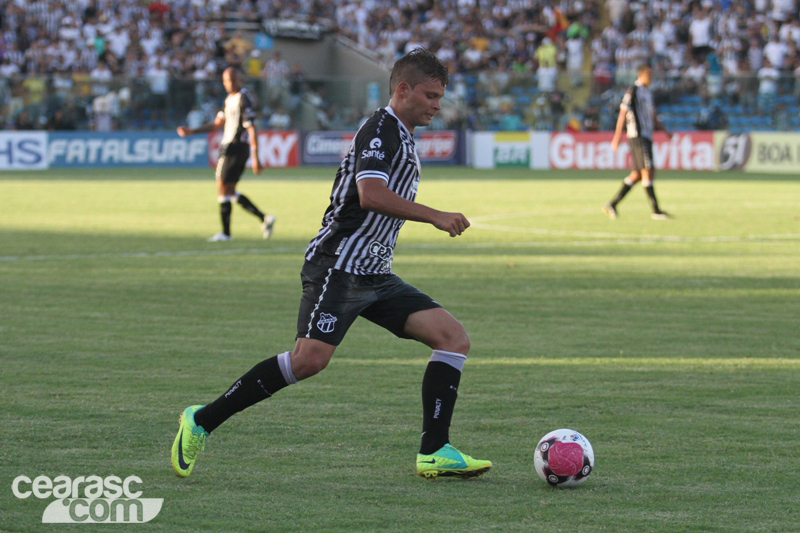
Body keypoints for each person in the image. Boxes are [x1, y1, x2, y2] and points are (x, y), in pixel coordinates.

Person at [171, 48, 492, 481]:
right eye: (431, 95)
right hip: (338, 265)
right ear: (403, 89)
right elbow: (371, 195)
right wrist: (435, 215)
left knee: (453, 338)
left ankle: (434, 451)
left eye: (440, 97)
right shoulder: (381, 130)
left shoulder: (402, 135)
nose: (438, 105)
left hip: (374, 272)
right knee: (309, 361)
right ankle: (201, 420)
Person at [177, 67, 275, 241]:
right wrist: (192, 131)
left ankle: (226, 233)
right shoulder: (229, 99)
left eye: (232, 80)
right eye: (226, 81)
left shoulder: (243, 98)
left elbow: (251, 127)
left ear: (239, 80)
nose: (229, 83)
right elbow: (216, 124)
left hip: (235, 147)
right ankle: (264, 218)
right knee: (229, 190)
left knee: (222, 186)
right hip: (232, 147)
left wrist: (256, 156)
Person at [603, 64, 671, 220]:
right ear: (640, 75)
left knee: (638, 174)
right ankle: (656, 210)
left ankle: (612, 204)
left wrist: (665, 131)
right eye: (648, 75)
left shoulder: (648, 93)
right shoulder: (633, 90)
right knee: (648, 170)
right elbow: (622, 113)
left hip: (647, 135)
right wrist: (617, 137)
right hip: (637, 136)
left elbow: (652, 116)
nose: (651, 78)